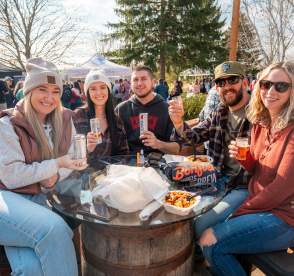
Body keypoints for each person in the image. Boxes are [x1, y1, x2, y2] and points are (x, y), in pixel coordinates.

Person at [200, 61, 294, 276]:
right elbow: (258, 167)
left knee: (209, 241)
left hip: (284, 217)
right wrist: (245, 158)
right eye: (266, 84)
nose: (270, 91)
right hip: (261, 206)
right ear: (258, 86)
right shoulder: (260, 124)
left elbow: (281, 188)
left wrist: (241, 212)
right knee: (210, 236)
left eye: (281, 86)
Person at [0, 57, 87, 276]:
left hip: (41, 198)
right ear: (29, 91)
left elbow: (74, 160)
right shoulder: (7, 124)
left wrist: (56, 175)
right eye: (42, 89)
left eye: (55, 91)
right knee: (55, 229)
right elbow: (11, 176)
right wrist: (54, 165)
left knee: (30, 268)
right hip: (8, 197)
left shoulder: (64, 119)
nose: (49, 98)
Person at [169, 61, 251, 238]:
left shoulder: (259, 114)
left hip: (243, 186)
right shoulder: (219, 113)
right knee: (178, 208)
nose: (227, 86)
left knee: (198, 225)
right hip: (216, 178)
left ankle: (200, 256)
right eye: (221, 83)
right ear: (216, 87)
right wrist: (178, 123)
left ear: (244, 83)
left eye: (232, 80)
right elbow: (194, 137)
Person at [115, 65, 180, 154]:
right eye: (135, 80)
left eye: (144, 79)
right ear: (131, 83)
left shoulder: (167, 109)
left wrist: (158, 143)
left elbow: (176, 148)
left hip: (159, 165)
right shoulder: (121, 110)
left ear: (153, 82)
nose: (139, 83)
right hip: (129, 165)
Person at [73, 70, 129, 161]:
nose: (98, 93)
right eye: (93, 89)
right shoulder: (78, 116)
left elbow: (124, 152)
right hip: (85, 173)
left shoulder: (116, 119)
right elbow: (71, 155)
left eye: (103, 87)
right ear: (88, 93)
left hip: (112, 172)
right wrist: (87, 149)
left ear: (108, 90)